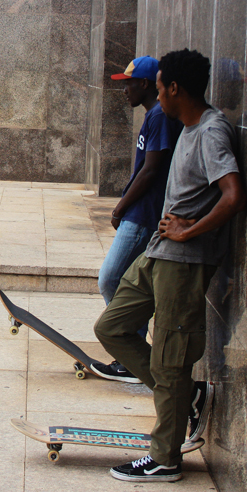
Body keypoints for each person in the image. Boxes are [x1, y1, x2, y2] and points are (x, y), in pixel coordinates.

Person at [94, 49, 246, 482]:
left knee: (170, 359)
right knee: (112, 327)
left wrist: (188, 230)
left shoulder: (212, 131)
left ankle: (165, 457)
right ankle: (186, 396)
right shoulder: (188, 125)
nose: (156, 94)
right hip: (160, 252)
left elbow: (234, 196)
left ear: (173, 88)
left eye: (159, 86)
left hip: (183, 260)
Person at [90, 56, 183, 383]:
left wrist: (119, 208)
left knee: (111, 278)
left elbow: (151, 170)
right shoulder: (154, 115)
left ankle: (129, 350)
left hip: (144, 215)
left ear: (145, 84)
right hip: (141, 212)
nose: (124, 89)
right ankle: (129, 350)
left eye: (128, 83)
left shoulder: (158, 116)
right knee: (128, 281)